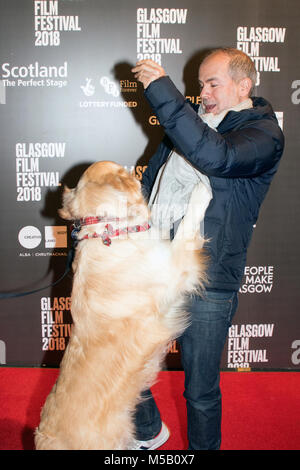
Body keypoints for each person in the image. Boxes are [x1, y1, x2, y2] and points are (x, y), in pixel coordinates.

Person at [130, 48, 284, 450]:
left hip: (209, 280)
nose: (203, 93)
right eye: (200, 85)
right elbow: (153, 184)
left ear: (243, 86)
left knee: (199, 391)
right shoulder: (191, 126)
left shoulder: (263, 134)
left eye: (213, 83)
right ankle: (148, 432)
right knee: (127, 365)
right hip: (158, 266)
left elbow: (214, 155)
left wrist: (164, 92)